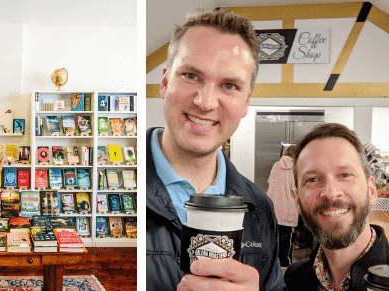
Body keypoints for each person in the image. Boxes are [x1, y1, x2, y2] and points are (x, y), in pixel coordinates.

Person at [146, 8, 286, 291]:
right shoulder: (120, 189)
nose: (206, 101)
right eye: (191, 76)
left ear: (246, 102)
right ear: (164, 82)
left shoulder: (260, 208)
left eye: (230, 85)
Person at [284, 123, 387, 291]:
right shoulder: (294, 278)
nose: (331, 193)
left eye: (345, 175)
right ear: (297, 200)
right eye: (313, 179)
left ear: (371, 191)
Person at [267, 145, 299, 268]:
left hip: (273, 209)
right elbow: (295, 190)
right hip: (287, 211)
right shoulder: (294, 169)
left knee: (274, 240)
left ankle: (273, 267)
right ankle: (286, 269)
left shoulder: (276, 165)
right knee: (286, 243)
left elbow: (270, 182)